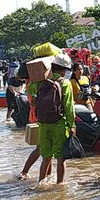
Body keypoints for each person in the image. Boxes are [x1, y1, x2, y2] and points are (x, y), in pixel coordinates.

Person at [29, 53, 75, 184]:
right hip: (59, 124)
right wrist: (72, 125)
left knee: (46, 158)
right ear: (64, 70)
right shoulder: (65, 83)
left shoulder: (40, 83)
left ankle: (41, 184)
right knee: (61, 158)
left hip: (43, 124)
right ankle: (60, 186)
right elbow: (68, 106)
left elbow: (32, 99)